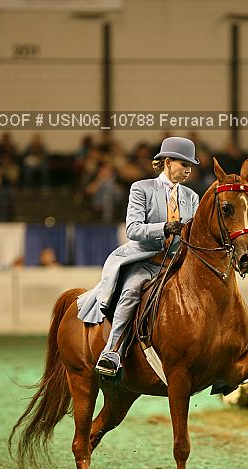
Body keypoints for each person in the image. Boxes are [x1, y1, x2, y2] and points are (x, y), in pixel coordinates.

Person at [77, 136, 200, 377]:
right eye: (184, 164)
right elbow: (132, 229)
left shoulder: (192, 197)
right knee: (132, 290)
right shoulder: (141, 188)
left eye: (190, 166)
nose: (188, 170)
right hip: (146, 261)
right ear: (167, 162)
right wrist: (164, 227)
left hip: (177, 264)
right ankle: (112, 352)